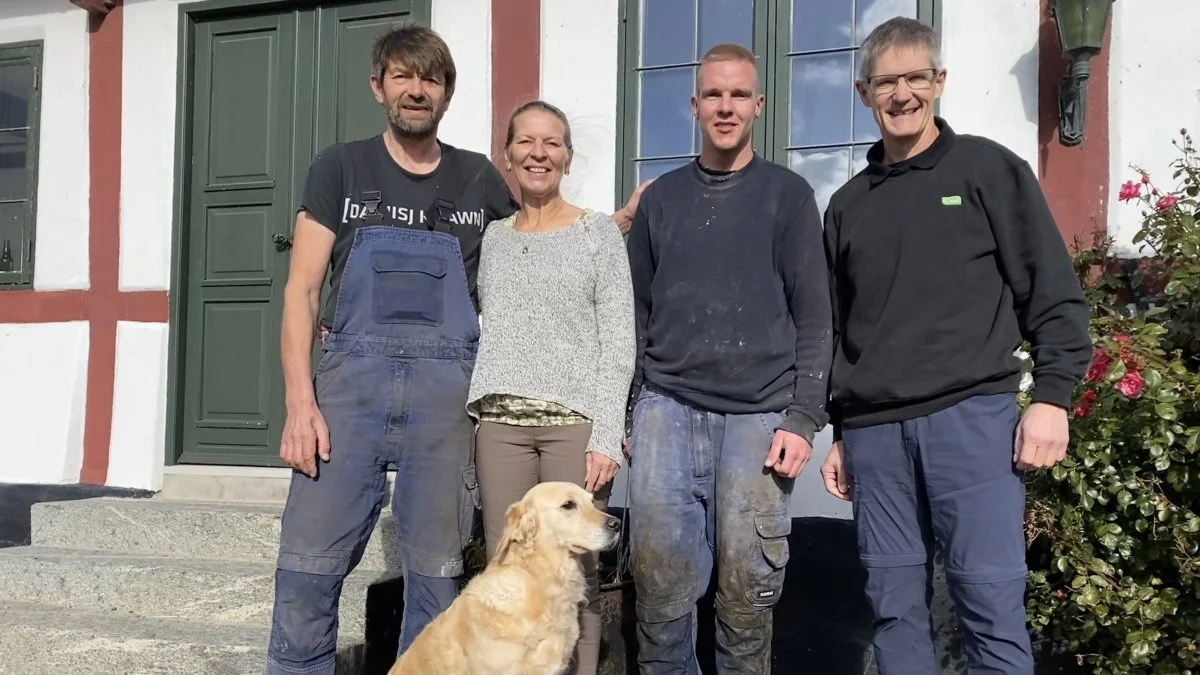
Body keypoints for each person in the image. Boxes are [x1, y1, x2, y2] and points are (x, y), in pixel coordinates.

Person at [817, 17, 1092, 675]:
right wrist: (841, 430)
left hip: (972, 422)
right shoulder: (848, 206)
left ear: (939, 82)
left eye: (916, 77)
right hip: (876, 437)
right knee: (893, 610)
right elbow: (837, 329)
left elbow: (1053, 295)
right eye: (887, 82)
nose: (903, 93)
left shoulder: (989, 171)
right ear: (864, 93)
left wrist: (1051, 398)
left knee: (989, 603)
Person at [624, 43, 833, 674]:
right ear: (694, 105)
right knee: (659, 595)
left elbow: (815, 314)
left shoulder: (789, 197)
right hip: (665, 408)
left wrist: (803, 417)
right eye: (713, 94)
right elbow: (633, 314)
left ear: (758, 106)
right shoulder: (660, 201)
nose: (725, 106)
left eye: (738, 94)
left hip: (759, 418)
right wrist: (628, 409)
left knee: (747, 600)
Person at [465, 100, 636, 675]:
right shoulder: (493, 238)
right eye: (526, 143)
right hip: (501, 430)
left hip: (573, 430)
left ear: (567, 155)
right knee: (509, 567)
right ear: (508, 154)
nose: (539, 154)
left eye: (552, 143)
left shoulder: (598, 235)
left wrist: (607, 437)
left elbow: (618, 342)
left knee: (576, 571)